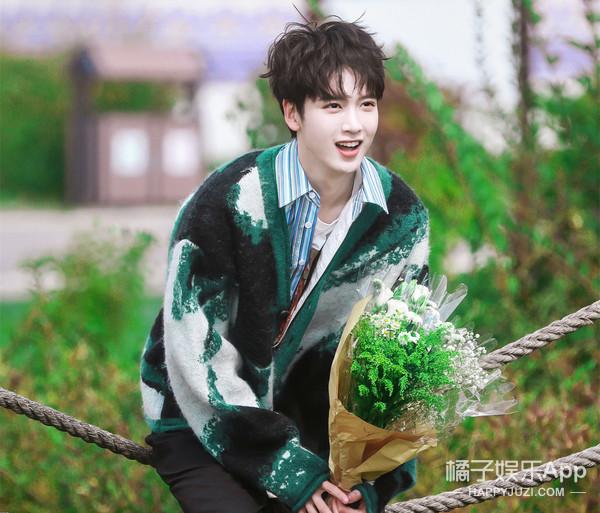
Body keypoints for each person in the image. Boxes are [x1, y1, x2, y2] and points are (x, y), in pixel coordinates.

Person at [140, 17, 429, 513]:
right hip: (200, 421)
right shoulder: (227, 201)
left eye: (366, 104)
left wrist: (370, 481)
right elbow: (194, 351)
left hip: (313, 439)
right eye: (333, 106)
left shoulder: (401, 218)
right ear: (293, 112)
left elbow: (400, 363)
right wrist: (286, 469)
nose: (354, 124)